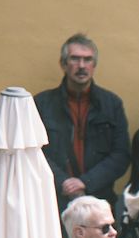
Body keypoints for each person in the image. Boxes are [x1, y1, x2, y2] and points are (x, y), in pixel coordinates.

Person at [34, 34, 130, 207]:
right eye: (75, 59)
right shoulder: (42, 104)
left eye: (87, 59)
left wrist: (86, 181)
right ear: (63, 64)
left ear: (94, 65)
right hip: (52, 200)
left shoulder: (111, 104)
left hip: (99, 200)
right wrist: (62, 182)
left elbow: (121, 155)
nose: (81, 66)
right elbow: (34, 152)